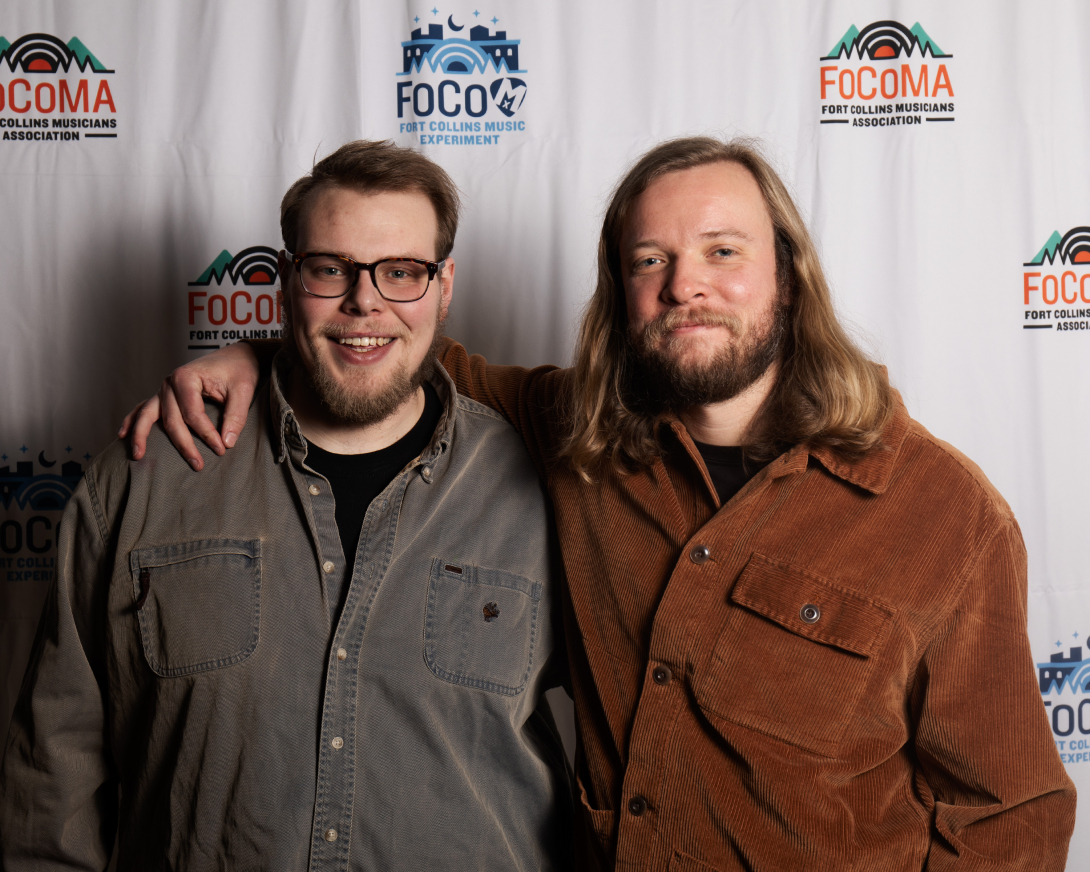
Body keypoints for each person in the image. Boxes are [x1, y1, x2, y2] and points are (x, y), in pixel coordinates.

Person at [121, 137, 1075, 870]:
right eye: (649, 260)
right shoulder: (583, 437)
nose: (685, 285)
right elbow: (394, 347)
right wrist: (256, 354)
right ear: (622, 291)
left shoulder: (943, 513)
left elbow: (1010, 814)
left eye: (721, 250)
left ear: (788, 269)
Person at [0, 141, 572, 870]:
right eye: (331, 269)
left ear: (444, 286)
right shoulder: (144, 481)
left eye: (401, 272)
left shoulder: (543, 488)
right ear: (286, 283)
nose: (364, 301)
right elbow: (53, 776)